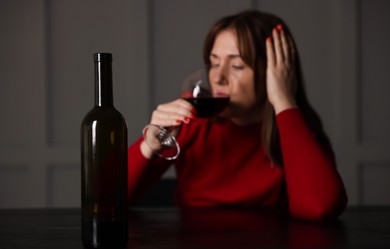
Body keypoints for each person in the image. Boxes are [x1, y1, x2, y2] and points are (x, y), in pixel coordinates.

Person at [127, 10, 348, 221]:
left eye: (236, 65)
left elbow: (320, 207)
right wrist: (149, 146)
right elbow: (107, 198)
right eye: (214, 63)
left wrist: (283, 99)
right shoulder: (192, 119)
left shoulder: (292, 125)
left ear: (275, 73)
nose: (218, 77)